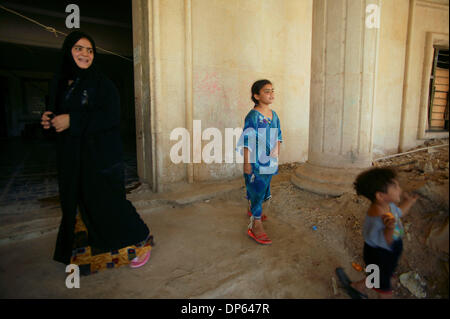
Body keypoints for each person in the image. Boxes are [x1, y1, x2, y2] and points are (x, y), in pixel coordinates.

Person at [41, 31, 153, 275]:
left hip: (102, 157)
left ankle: (141, 242)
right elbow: (56, 115)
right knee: (81, 203)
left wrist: (73, 120)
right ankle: (93, 253)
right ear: (68, 51)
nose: (85, 54)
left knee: (111, 202)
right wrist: (50, 120)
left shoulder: (102, 84)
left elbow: (112, 118)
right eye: (79, 48)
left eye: (89, 50)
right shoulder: (60, 83)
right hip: (73, 158)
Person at [350, 167, 418, 298]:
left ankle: (358, 286)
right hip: (380, 254)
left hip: (389, 250)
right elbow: (386, 241)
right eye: (395, 187)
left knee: (378, 275)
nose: (400, 189)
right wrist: (390, 229)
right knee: (385, 289)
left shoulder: (387, 206)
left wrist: (409, 202)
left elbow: (399, 212)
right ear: (380, 196)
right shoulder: (379, 217)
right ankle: (365, 286)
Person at [236, 79, 282, 245]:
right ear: (256, 95)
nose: (271, 94)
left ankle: (252, 208)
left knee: (263, 187)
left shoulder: (274, 115)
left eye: (272, 90)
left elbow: (278, 136)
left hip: (270, 161)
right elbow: (247, 140)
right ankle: (256, 225)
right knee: (256, 188)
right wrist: (247, 163)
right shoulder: (253, 116)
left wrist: (277, 148)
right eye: (267, 91)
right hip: (255, 162)